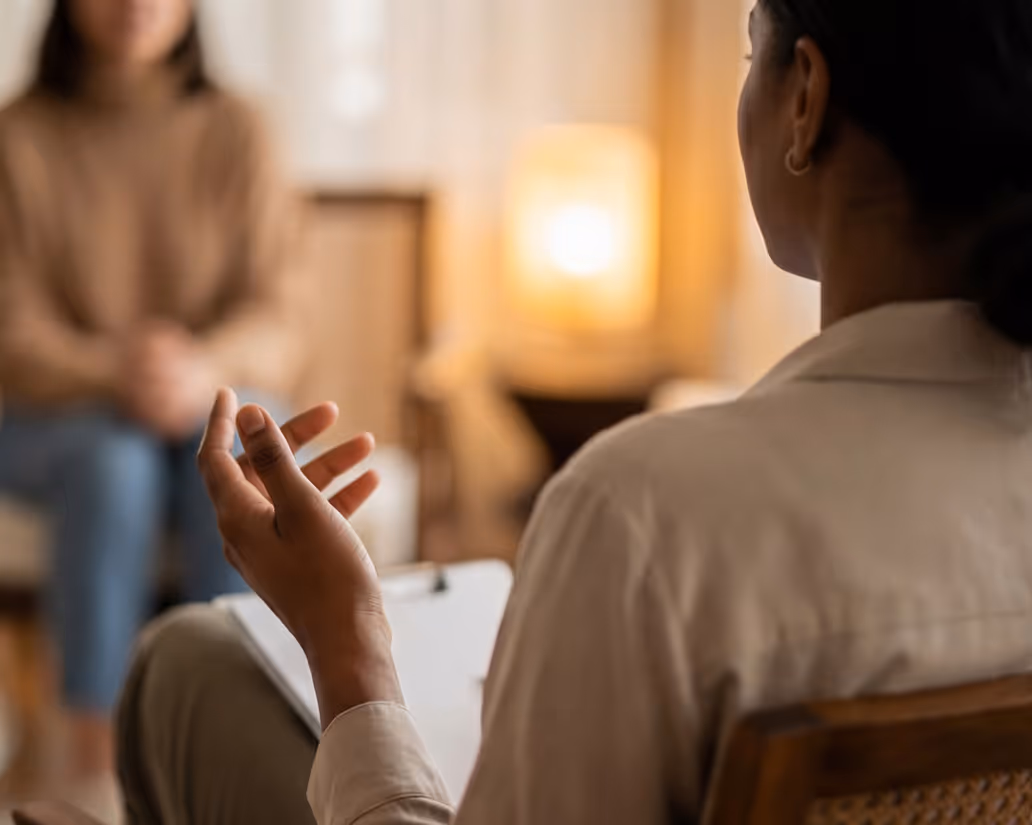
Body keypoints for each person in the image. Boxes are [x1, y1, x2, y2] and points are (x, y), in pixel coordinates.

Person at [38, 0, 1032, 822]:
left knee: (189, 666)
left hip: (188, 418)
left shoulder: (643, 510)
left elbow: (276, 310)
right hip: (76, 415)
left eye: (746, 54)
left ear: (804, 98)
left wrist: (348, 642)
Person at [0, 0, 305, 787]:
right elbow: (12, 330)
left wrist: (201, 369)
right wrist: (115, 371)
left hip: (205, 397)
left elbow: (280, 315)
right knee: (114, 460)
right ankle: (96, 760)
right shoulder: (19, 135)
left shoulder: (239, 129)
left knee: (230, 450)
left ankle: (227, 741)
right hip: (51, 417)